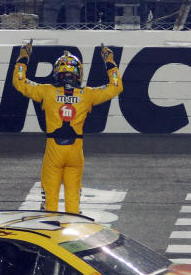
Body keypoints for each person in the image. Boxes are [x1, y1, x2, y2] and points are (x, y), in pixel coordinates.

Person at [11, 43, 122, 214]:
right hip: (75, 152)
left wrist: (23, 57)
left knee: (50, 204)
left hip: (53, 151)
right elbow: (116, 86)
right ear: (78, 73)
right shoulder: (87, 94)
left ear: (57, 72)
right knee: (73, 205)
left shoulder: (46, 91)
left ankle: (50, 234)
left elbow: (19, 81)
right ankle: (72, 233)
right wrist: (110, 60)